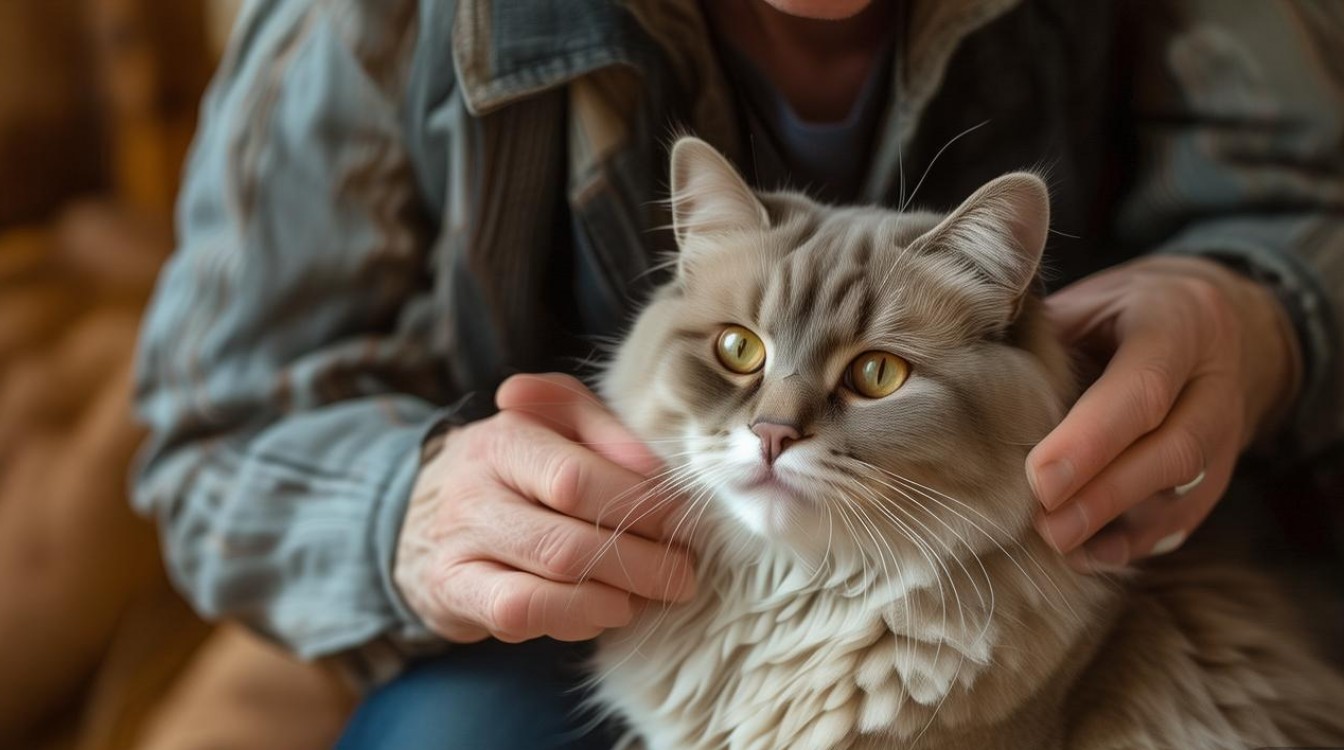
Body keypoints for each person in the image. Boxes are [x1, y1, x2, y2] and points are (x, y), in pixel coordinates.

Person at [134, 0, 1344, 747]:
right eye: (744, 362)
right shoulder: (361, 21)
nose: (776, 423)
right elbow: (213, 427)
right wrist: (402, 516)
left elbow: (1306, 202)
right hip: (574, 613)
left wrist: (1265, 311)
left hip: (1024, 601)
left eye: (861, 373)